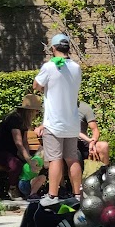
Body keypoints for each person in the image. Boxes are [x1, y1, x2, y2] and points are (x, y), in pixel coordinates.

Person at [32, 33, 82, 206]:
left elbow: (36, 86)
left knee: (55, 159)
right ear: (68, 48)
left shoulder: (49, 67)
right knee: (72, 159)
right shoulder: (76, 67)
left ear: (53, 48)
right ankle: (77, 194)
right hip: (72, 122)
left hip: (54, 123)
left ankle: (52, 196)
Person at [0, 94, 42, 201]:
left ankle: (28, 190)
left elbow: (25, 141)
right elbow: (18, 143)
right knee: (16, 165)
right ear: (30, 111)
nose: (37, 113)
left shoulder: (24, 121)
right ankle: (12, 189)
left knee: (30, 164)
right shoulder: (14, 119)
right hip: (3, 152)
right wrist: (28, 160)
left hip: (14, 152)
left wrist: (29, 157)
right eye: (36, 111)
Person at [78, 101, 110, 166]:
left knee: (103, 146)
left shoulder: (84, 108)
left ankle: (104, 173)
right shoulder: (60, 107)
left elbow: (95, 129)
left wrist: (92, 142)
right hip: (66, 142)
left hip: (82, 141)